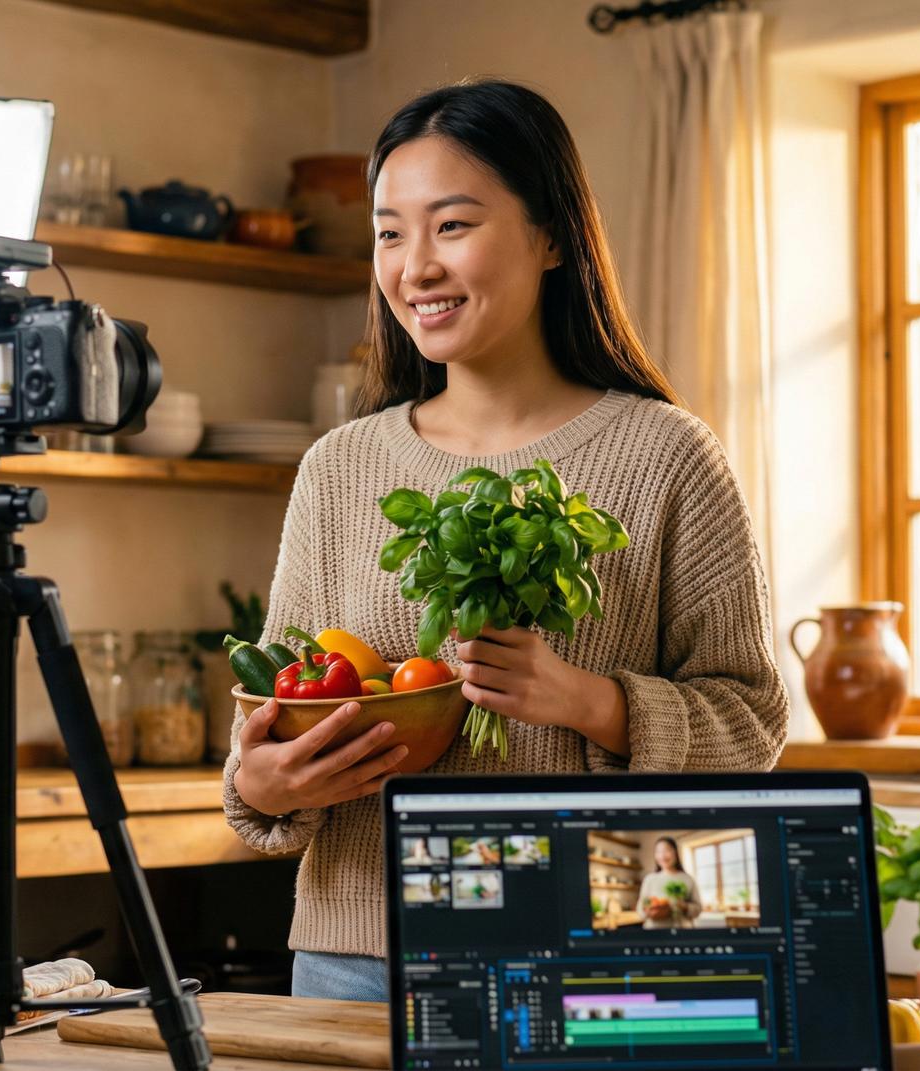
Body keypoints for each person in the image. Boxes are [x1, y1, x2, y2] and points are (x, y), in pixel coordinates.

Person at [221, 79, 788, 1002]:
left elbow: (753, 724)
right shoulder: (338, 468)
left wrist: (592, 702)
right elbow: (267, 715)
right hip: (361, 960)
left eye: (452, 226)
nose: (415, 267)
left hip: (590, 948)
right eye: (390, 233)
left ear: (552, 237)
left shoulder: (668, 455)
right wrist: (266, 785)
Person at [637, 836, 703, 929]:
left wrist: (684, 906)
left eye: (667, 850)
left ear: (675, 852)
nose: (662, 855)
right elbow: (640, 908)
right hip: (655, 932)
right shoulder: (649, 879)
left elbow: (698, 909)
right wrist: (649, 912)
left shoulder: (688, 879)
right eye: (658, 852)